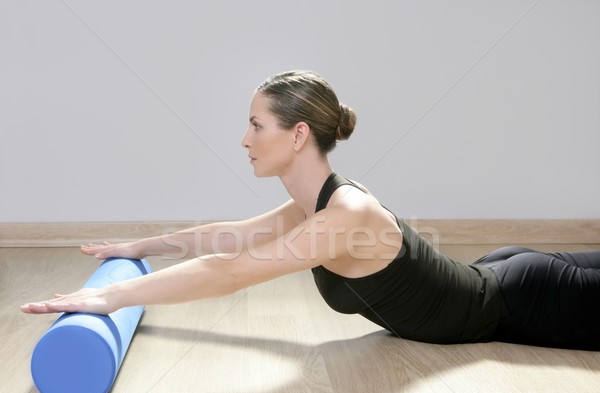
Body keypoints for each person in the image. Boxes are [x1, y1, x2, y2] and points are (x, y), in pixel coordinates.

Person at [21, 71, 600, 351]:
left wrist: (109, 296)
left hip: (527, 299)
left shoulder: (344, 214)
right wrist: (140, 249)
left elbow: (232, 273)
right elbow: (232, 239)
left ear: (297, 135)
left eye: (255, 125)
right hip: (501, 278)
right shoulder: (314, 205)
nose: (244, 140)